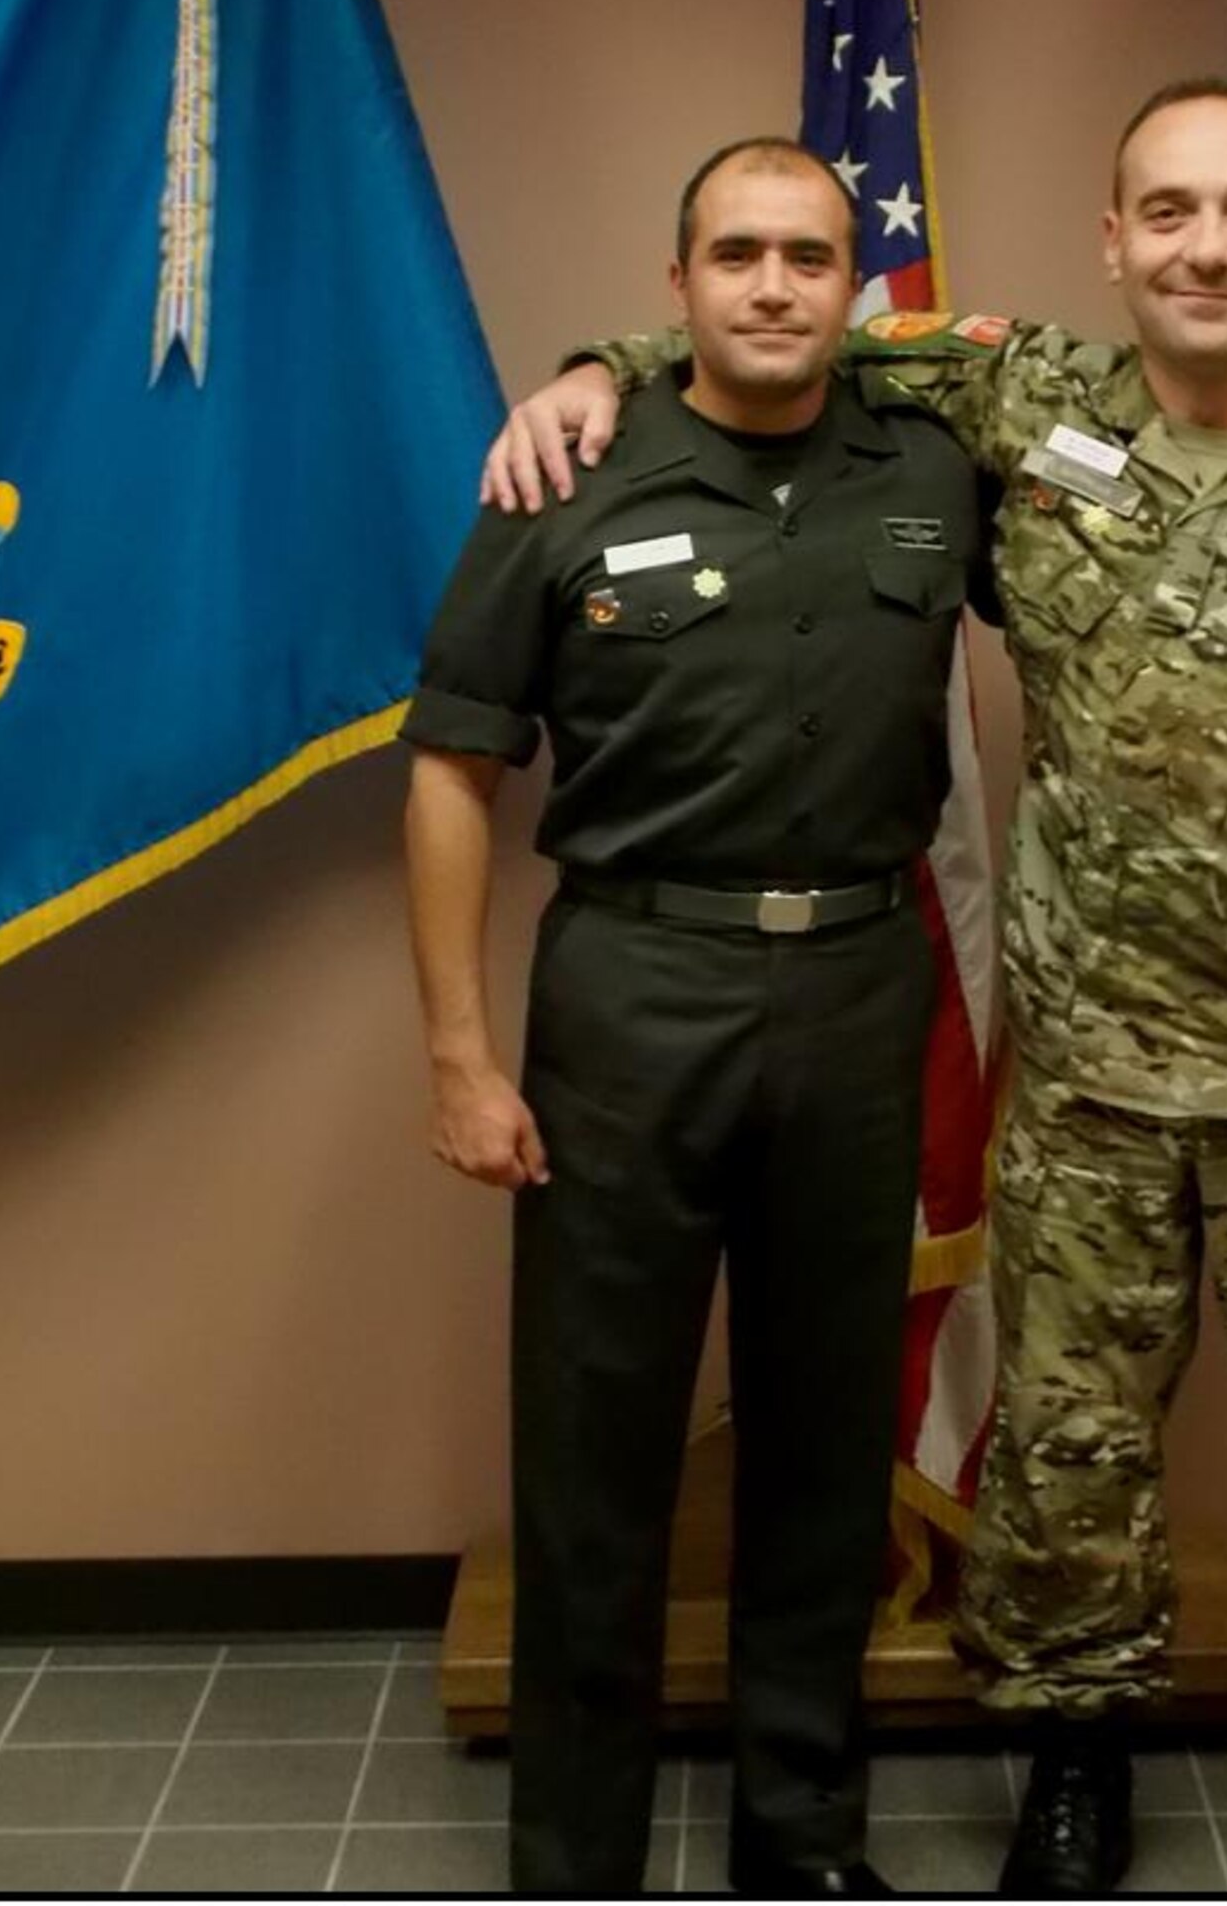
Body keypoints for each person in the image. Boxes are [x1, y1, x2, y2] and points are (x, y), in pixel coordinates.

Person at [480, 75, 1227, 1898]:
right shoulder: (1030, 403)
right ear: (1113, 238)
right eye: (1169, 211)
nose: (1207, 247)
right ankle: (1074, 1768)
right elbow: (773, 335)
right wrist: (591, 367)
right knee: (1072, 1457)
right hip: (1086, 1080)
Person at [402, 136, 996, 1897]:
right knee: (597, 1447)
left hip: (855, 990)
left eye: (810, 256)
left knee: (823, 1440)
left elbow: (1148, 414)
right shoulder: (562, 473)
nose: (772, 285)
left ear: (848, 284)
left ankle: (799, 1837)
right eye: (734, 253)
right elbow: (450, 769)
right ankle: (577, 1854)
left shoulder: (937, 466)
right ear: (674, 289)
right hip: (631, 995)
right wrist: (457, 1052)